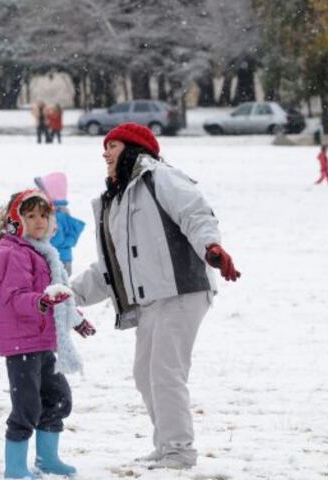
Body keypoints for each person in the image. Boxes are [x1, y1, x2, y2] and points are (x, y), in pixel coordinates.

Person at [70, 123, 241, 470]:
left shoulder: (158, 177)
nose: (105, 153)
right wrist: (69, 295)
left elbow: (195, 213)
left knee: (165, 372)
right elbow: (111, 268)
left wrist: (212, 247)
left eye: (113, 146)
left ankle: (178, 451)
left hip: (182, 289)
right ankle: (166, 446)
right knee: (144, 373)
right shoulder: (114, 200)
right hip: (151, 301)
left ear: (134, 149)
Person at [0, 189, 95, 479]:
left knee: (58, 397)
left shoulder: (45, 252)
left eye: (44, 215)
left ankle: (47, 458)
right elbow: (16, 297)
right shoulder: (12, 253)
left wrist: (75, 320)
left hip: (43, 341)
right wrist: (41, 301)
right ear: (16, 220)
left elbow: (60, 295)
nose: (38, 221)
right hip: (21, 343)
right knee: (27, 405)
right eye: (30, 215)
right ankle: (14, 467)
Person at [34, 172, 86, 274]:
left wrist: (40, 240)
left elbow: (57, 239)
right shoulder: (61, 211)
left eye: (42, 192)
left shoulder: (56, 216)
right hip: (63, 258)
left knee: (55, 287)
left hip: (58, 260)